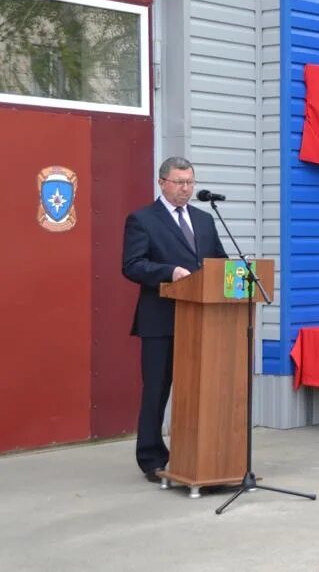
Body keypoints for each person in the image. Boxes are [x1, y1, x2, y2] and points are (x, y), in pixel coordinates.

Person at [122, 156, 227, 481]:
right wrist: (169, 271)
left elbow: (218, 261)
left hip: (202, 322)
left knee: (200, 388)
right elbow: (132, 265)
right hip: (161, 320)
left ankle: (196, 452)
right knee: (157, 389)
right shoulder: (142, 220)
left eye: (190, 183)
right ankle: (151, 458)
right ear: (162, 182)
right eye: (180, 183)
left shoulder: (204, 219)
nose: (186, 189)